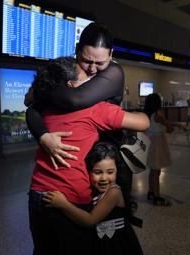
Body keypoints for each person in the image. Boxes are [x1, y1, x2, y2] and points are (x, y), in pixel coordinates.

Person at [28, 57, 149, 254]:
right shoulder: (94, 109)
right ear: (72, 85)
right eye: (86, 76)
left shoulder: (46, 108)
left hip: (37, 194)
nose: (93, 78)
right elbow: (143, 122)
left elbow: (30, 107)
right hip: (70, 198)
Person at [25, 22, 137, 212]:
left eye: (100, 62)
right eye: (86, 60)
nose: (93, 69)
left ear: (111, 55)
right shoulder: (71, 71)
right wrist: (43, 136)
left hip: (103, 160)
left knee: (108, 225)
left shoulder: (114, 72)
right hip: (77, 163)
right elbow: (32, 109)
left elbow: (75, 100)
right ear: (77, 50)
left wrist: (42, 87)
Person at [43, 142, 143, 255]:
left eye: (110, 172)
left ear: (117, 172)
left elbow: (90, 220)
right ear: (88, 172)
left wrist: (63, 204)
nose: (104, 178)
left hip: (116, 245)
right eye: (97, 172)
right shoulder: (96, 192)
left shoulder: (114, 192)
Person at [143, 93, 182, 206]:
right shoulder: (158, 114)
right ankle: (157, 196)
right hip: (158, 144)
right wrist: (174, 126)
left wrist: (177, 124)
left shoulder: (147, 114)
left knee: (153, 170)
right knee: (156, 171)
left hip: (151, 142)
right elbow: (169, 128)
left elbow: (164, 124)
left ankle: (150, 191)